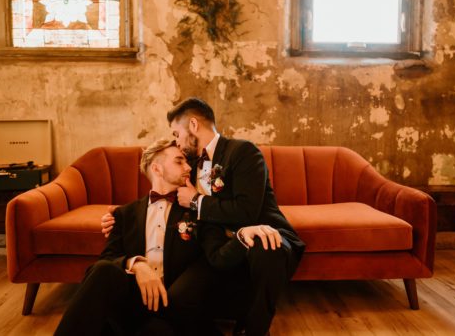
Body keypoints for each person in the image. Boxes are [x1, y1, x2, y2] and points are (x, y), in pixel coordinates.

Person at [102, 97, 305, 336]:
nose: (177, 141)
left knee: (264, 244)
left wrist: (197, 201)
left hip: (263, 234)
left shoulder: (242, 152)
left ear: (194, 125)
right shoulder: (187, 162)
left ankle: (255, 328)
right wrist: (119, 216)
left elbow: (247, 211)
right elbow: (160, 189)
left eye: (177, 133)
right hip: (215, 245)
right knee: (182, 294)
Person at [56, 139, 221, 335]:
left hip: (174, 303)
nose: (187, 167)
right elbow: (108, 258)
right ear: (157, 169)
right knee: (102, 270)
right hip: (133, 300)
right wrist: (136, 264)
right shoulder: (125, 214)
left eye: (187, 162)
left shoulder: (197, 209)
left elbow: (209, 258)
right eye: (179, 161)